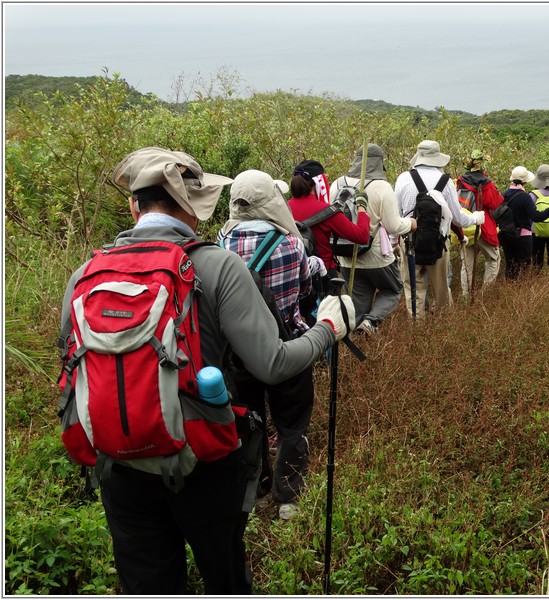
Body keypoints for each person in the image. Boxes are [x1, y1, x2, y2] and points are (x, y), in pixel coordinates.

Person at [59, 147, 355, 595]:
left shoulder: (86, 272)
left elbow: (71, 360)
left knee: (148, 585)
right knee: (225, 578)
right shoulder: (216, 265)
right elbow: (272, 364)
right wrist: (327, 330)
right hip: (202, 460)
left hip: (118, 468)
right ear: (193, 206)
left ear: (133, 205)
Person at [217, 169, 317, 520]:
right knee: (292, 424)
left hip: (239, 355)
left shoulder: (220, 246)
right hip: (288, 347)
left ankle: (256, 489)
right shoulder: (290, 244)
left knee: (248, 420)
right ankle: (288, 496)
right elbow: (306, 292)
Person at [329, 143, 416, 334]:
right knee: (393, 289)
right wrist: (411, 223)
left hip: (345, 256)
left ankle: (358, 349)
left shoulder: (336, 183)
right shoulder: (382, 186)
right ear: (379, 163)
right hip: (376, 256)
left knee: (358, 306)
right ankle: (372, 322)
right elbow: (394, 226)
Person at [394, 140, 485, 318]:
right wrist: (475, 218)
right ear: (437, 158)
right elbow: (458, 218)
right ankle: (443, 327)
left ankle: (416, 329)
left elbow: (396, 216)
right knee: (441, 289)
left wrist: (392, 242)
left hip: (409, 241)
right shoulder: (445, 181)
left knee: (413, 289)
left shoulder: (403, 178)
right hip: (438, 243)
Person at [288, 159, 371, 291]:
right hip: (323, 278)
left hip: (292, 277)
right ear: (319, 183)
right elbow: (362, 236)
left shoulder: (283, 209)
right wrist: (362, 210)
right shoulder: (327, 211)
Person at [497, 166, 549, 279]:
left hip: (505, 235)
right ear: (525, 181)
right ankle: (520, 292)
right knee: (523, 267)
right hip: (522, 237)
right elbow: (537, 217)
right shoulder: (525, 197)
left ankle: (510, 290)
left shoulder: (503, 195)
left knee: (510, 266)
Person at [455, 150, 504, 297]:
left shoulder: (459, 181)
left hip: (465, 224)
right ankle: (485, 294)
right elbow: (495, 203)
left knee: (467, 264)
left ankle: (466, 295)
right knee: (494, 258)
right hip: (483, 224)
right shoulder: (486, 183)